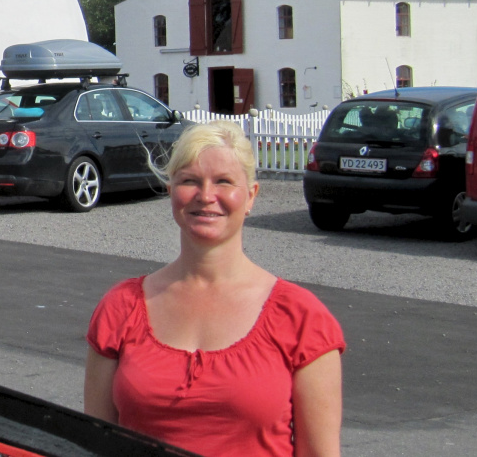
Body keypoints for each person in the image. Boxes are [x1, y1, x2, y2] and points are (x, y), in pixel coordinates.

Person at [84, 121, 344, 457]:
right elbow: (93, 445)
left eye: (223, 182)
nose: (206, 196)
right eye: (190, 180)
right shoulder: (121, 307)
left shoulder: (302, 318)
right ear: (170, 191)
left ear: (250, 196)